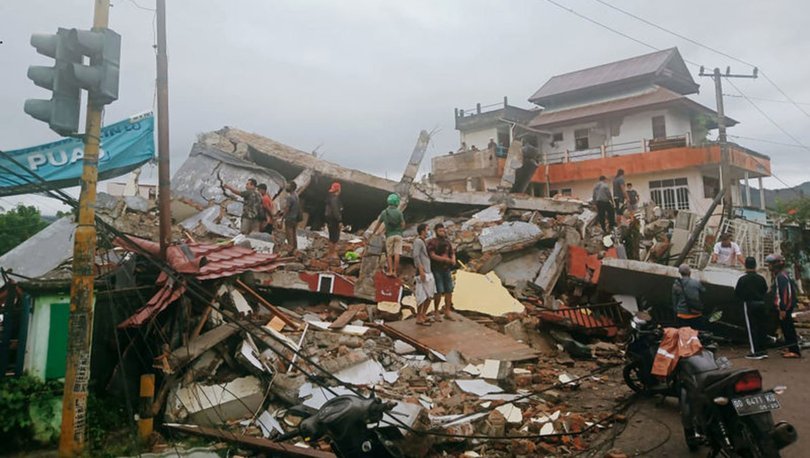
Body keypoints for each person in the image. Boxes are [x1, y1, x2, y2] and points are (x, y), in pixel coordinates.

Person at [765, 254, 801, 358]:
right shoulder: (780, 275)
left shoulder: (781, 277)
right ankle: (790, 347)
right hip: (785, 307)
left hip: (784, 308)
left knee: (788, 328)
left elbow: (784, 294)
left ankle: (794, 351)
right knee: (785, 328)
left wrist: (782, 309)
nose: (769, 266)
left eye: (770, 264)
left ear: (775, 265)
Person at [734, 257, 770, 359]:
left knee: (751, 328)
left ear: (745, 266)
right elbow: (765, 291)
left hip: (749, 304)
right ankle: (763, 350)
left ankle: (755, 352)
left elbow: (737, 293)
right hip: (761, 304)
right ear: (755, 265)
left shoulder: (742, 279)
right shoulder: (761, 278)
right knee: (761, 327)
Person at [371, 193, 405, 277]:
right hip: (399, 235)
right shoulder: (399, 213)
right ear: (397, 202)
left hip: (389, 236)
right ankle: (395, 272)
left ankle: (390, 271)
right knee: (397, 253)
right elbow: (403, 225)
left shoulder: (384, 212)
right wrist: (399, 230)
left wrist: (374, 233)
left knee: (389, 254)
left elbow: (378, 224)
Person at [428, 223, 456, 321]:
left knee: (449, 290)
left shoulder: (447, 242)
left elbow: (452, 253)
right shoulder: (432, 242)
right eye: (440, 231)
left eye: (443, 230)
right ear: (436, 231)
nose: (442, 232)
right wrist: (444, 260)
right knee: (439, 291)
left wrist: (453, 259)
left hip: (447, 269)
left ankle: (447, 311)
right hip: (437, 269)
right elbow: (432, 255)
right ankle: (436, 311)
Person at [412, 223, 437, 326]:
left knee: (430, 294)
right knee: (421, 295)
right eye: (427, 229)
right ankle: (419, 316)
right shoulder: (418, 241)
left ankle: (423, 314)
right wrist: (421, 270)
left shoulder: (423, 242)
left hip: (428, 271)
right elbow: (416, 256)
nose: (428, 231)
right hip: (422, 271)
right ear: (422, 231)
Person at [672, 264, 706, 330]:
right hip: (695, 314)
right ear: (690, 272)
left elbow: (674, 300)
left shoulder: (676, 285)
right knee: (695, 333)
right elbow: (704, 291)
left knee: (683, 334)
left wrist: (677, 311)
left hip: (681, 314)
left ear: (680, 273)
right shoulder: (696, 283)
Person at [279, 181, 301, 253]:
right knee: (294, 235)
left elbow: (287, 209)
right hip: (295, 219)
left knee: (289, 235)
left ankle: (290, 251)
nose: (286, 187)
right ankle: (295, 250)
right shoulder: (296, 196)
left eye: (288, 186)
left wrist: (282, 219)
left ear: (291, 188)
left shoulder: (290, 197)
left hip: (289, 218)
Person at [324, 182, 343, 260]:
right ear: (338, 189)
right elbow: (336, 211)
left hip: (330, 220)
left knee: (331, 237)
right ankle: (332, 254)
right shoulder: (335, 199)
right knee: (334, 238)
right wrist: (339, 221)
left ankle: (330, 253)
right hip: (334, 220)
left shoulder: (330, 198)